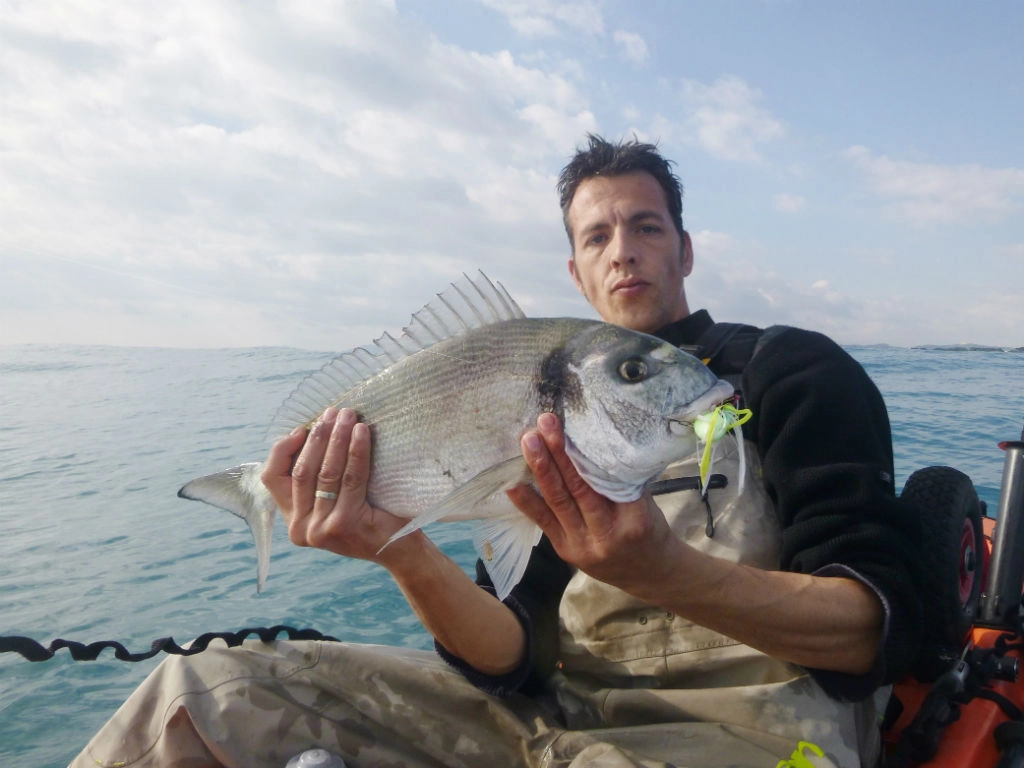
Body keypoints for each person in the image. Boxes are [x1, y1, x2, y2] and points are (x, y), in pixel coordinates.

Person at [71, 136, 922, 768]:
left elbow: (875, 633)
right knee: (201, 691)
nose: (622, 249)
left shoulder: (789, 370)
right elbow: (511, 658)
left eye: (646, 227)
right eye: (597, 237)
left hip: (753, 736)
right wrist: (394, 548)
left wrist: (669, 571)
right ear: (577, 273)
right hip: (552, 723)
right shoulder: (546, 402)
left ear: (685, 249)